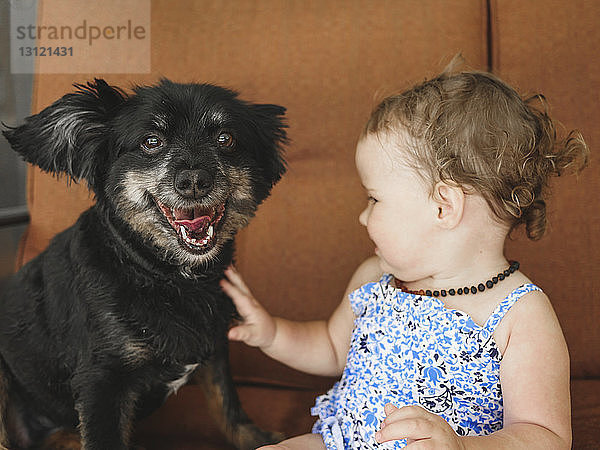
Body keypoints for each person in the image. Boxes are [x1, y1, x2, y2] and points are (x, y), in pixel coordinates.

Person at [220, 65, 589, 449]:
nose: (363, 217)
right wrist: (272, 333)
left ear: (444, 206)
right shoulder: (373, 277)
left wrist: (462, 447)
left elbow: (546, 436)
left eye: (374, 198)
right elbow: (331, 348)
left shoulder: (521, 314)